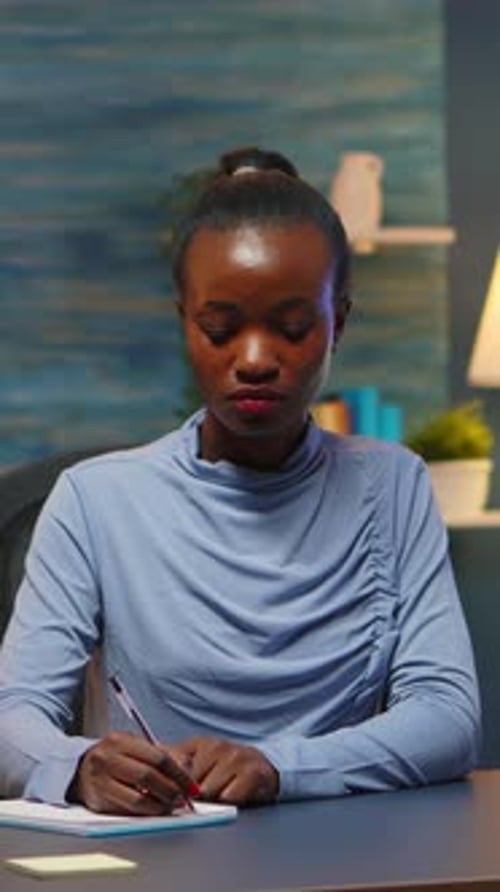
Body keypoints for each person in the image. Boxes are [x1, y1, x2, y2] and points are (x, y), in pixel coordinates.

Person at [0, 146, 480, 814]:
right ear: (184, 323)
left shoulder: (393, 486)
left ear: (338, 321)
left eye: (291, 328)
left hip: (349, 852)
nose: (254, 359)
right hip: (162, 855)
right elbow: (10, 719)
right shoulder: (94, 500)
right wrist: (78, 764)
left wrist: (279, 767)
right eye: (220, 328)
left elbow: (448, 719)